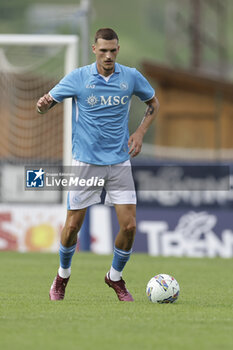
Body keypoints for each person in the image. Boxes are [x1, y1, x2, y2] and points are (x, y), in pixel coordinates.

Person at [37, 28, 159, 302]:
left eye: (113, 50)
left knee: (129, 227)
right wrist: (43, 105)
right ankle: (62, 276)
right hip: (85, 163)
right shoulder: (79, 78)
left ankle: (114, 277)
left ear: (118, 49)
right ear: (94, 49)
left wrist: (139, 133)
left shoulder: (130, 77)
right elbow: (45, 104)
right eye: (103, 50)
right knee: (72, 227)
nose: (108, 55)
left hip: (119, 163)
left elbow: (153, 103)